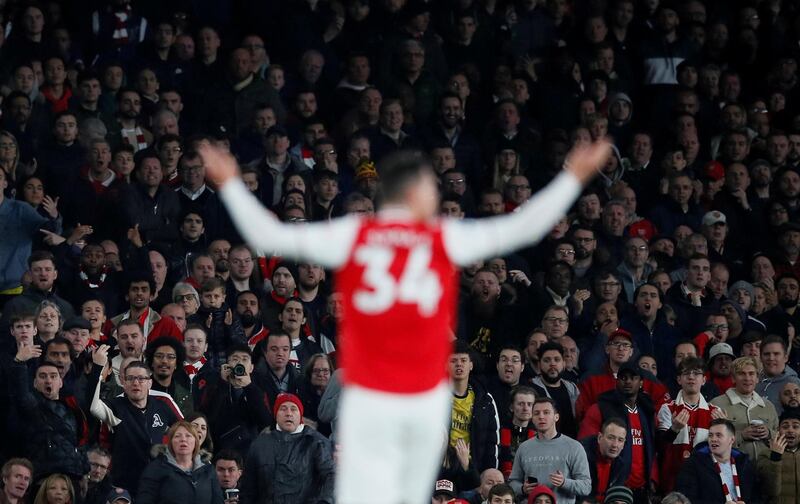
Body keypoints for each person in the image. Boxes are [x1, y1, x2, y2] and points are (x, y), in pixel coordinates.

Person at [202, 138, 609, 502]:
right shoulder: (442, 236)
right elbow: (524, 226)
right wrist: (573, 176)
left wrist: (230, 182)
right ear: (415, 191)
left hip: (369, 397)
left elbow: (269, 235)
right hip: (423, 398)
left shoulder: (355, 234)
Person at [240, 393, 335, 504]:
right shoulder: (260, 444)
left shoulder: (316, 442)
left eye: (294, 409)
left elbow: (331, 475)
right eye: (283, 409)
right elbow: (248, 489)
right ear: (276, 415)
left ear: (300, 415)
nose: (289, 414)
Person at [657, 357, 726, 493]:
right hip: (673, 477)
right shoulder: (668, 409)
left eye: (696, 373)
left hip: (705, 479)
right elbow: (659, 446)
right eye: (686, 373)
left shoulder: (715, 412)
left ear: (704, 380)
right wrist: (674, 429)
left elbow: (723, 452)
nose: (691, 377)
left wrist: (724, 429)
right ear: (679, 380)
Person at [508, 398, 591, 503]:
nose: (541, 417)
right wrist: (522, 489)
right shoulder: (524, 448)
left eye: (546, 412)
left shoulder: (574, 447)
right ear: (532, 418)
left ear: (556, 417)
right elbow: (512, 483)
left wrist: (564, 482)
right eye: (537, 413)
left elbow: (586, 487)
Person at [710, 356, 779, 466]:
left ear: (757, 378)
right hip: (732, 468)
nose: (747, 378)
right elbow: (710, 441)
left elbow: (780, 437)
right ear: (733, 378)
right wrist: (741, 435)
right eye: (742, 374)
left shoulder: (768, 406)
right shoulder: (717, 404)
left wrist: (768, 433)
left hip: (766, 469)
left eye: (751, 374)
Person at [136, 421, 223, 504]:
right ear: (171, 442)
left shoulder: (208, 470)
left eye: (188, 436)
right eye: (177, 436)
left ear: (196, 442)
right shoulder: (156, 469)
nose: (183, 439)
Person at [676, 419, 758, 504]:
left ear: (732, 440)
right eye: (710, 435)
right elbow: (686, 499)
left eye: (719, 435)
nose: (713, 439)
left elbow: (758, 497)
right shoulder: (693, 464)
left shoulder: (744, 464)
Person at [580, 418, 628, 503]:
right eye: (611, 438)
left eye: (620, 440)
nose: (615, 445)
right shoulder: (580, 456)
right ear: (600, 438)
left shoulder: (621, 465)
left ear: (624, 444)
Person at [758, 407, 800, 504]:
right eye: (785, 427)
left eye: (796, 426)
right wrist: (775, 457)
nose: (790, 430)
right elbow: (771, 491)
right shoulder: (765, 454)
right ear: (778, 431)